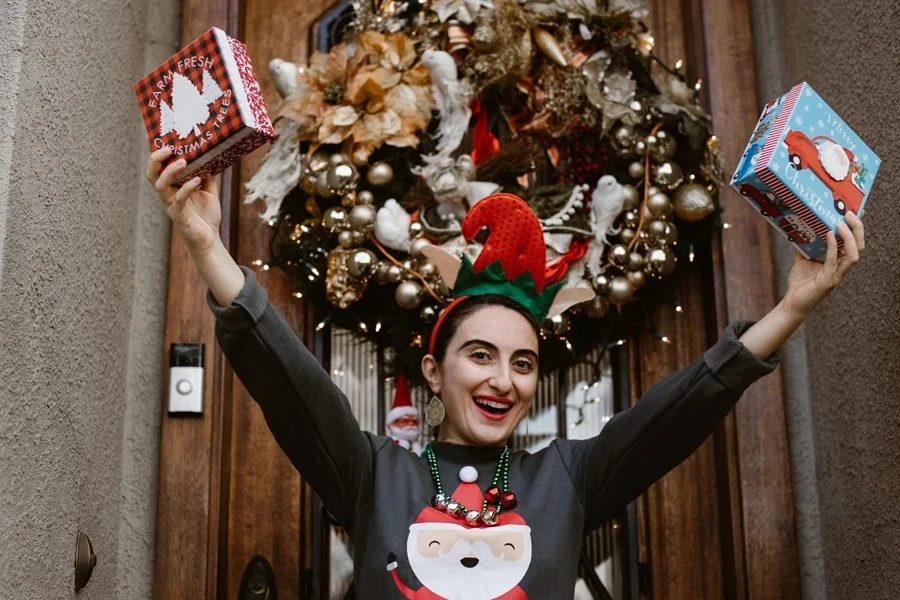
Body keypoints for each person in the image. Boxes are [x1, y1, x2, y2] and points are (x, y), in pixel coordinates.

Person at [147, 147, 865, 598]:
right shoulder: (372, 476)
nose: (504, 380)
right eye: (480, 355)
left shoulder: (569, 479)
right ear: (434, 370)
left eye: (523, 363)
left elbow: (680, 411)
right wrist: (207, 246)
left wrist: (792, 307)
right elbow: (287, 379)